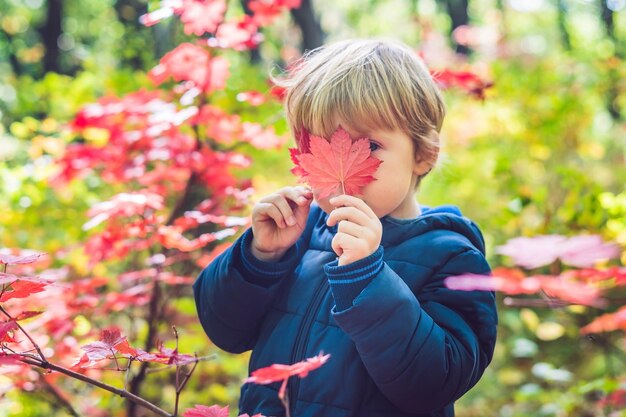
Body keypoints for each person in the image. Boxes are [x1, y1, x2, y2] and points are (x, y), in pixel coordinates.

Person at [193, 38, 497, 417]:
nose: (343, 172)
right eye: (319, 147)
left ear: (423, 155)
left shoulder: (451, 256)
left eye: (369, 146)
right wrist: (260, 257)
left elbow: (437, 381)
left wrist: (367, 278)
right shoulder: (300, 235)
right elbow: (226, 331)